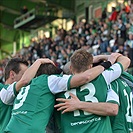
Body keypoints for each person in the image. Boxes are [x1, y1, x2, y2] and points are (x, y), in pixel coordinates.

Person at [3, 56, 111, 133]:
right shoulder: (50, 80)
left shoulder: (20, 87)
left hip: (9, 129)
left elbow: (10, 95)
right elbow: (84, 77)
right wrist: (105, 64)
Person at [54, 49, 130, 133]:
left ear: (71, 68)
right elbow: (126, 60)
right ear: (90, 66)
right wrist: (103, 57)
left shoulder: (58, 84)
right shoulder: (104, 77)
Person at [0, 58, 29, 133]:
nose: (29, 79)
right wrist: (39, 61)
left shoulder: (25, 92)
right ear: (12, 75)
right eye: (24, 75)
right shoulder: (2, 89)